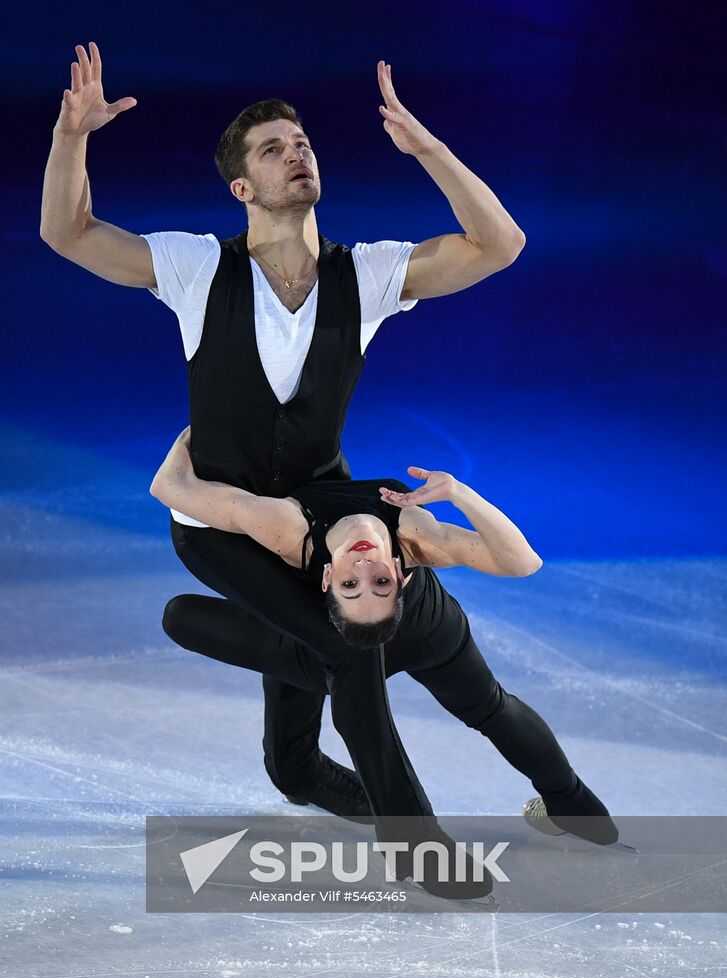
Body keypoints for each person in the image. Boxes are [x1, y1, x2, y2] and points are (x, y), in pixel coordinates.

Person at [40, 42, 527, 818]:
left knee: (294, 768)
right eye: (273, 150)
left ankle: (367, 797)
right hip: (220, 526)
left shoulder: (364, 275)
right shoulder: (199, 269)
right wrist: (73, 138)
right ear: (242, 186)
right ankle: (419, 841)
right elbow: (70, 233)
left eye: (300, 143)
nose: (295, 153)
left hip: (318, 520)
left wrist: (427, 149)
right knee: (342, 649)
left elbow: (498, 247)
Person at [150, 427, 620, 857]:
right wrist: (457, 494)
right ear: (397, 572)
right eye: (375, 583)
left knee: (488, 708)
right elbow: (522, 562)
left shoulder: (293, 530)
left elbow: (172, 489)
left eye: (359, 586)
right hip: (389, 638)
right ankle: (573, 807)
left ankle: (563, 805)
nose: (363, 571)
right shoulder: (411, 534)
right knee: (488, 708)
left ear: (328, 581)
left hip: (408, 631)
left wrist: (201, 432)